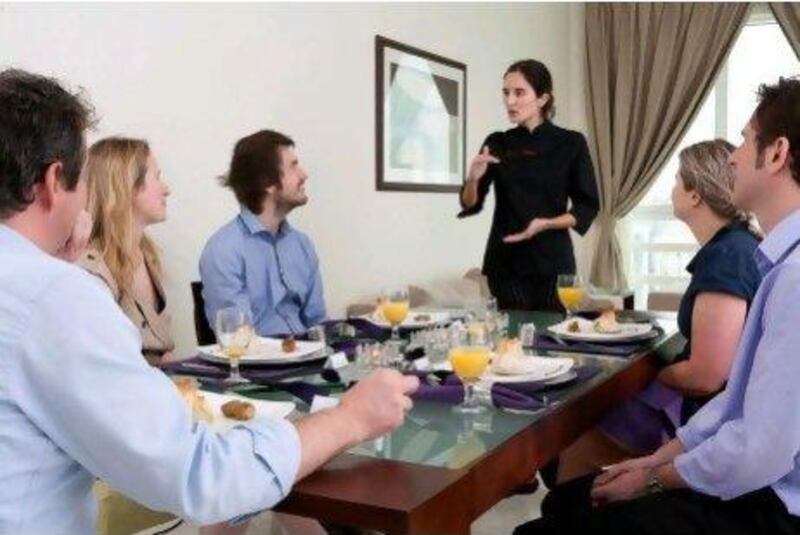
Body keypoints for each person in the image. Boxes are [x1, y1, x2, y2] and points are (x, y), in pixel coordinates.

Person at [0, 68, 419, 535]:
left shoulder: (45, 284)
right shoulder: (53, 297)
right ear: (55, 181)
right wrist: (350, 419)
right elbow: (200, 475)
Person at [516, 76, 800, 535]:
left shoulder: (791, 277)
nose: (733, 156)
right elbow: (739, 402)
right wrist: (662, 459)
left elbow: (756, 448)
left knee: (546, 525)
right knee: (568, 500)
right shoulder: (773, 260)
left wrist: (653, 480)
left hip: (775, 507)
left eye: (746, 142)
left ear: (777, 153)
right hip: (759, 481)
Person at [556, 139, 762, 483]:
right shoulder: (737, 246)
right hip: (719, 414)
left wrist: (644, 374)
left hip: (707, 423)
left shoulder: (727, 257)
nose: (672, 189)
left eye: (677, 179)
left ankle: (570, 508)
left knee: (578, 436)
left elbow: (706, 376)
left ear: (695, 195)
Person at [458, 59, 599, 312]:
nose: (510, 101)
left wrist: (547, 223)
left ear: (543, 99)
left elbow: (587, 206)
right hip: (504, 264)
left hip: (552, 264)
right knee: (512, 342)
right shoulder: (497, 142)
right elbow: (470, 202)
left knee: (550, 340)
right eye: (506, 93)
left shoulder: (571, 143)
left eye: (519, 92)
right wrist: (473, 179)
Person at [200, 130, 325, 337]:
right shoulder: (223, 250)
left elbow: (317, 323)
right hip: (260, 366)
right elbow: (238, 338)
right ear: (267, 182)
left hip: (308, 360)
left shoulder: (303, 245)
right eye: (293, 166)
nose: (304, 174)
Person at [79, 137, 175, 365]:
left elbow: (163, 351)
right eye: (157, 178)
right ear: (127, 187)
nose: (167, 190)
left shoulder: (148, 256)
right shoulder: (91, 269)